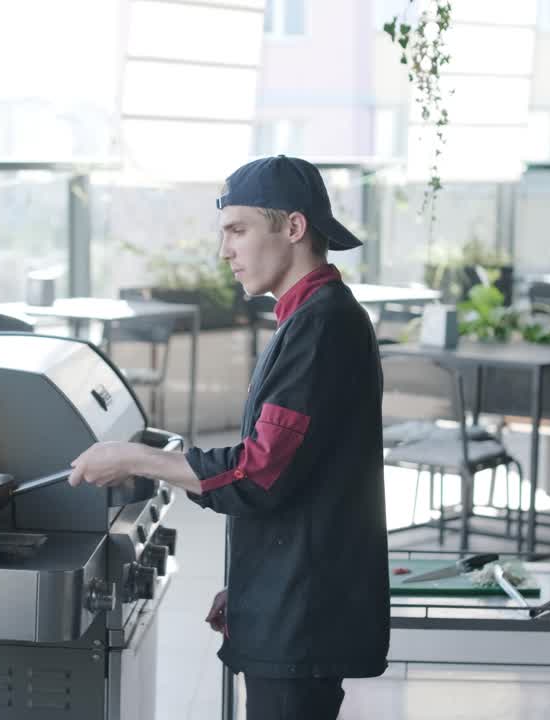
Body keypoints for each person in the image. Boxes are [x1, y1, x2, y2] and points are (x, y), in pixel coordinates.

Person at [67, 155, 389, 719]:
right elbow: (299, 472)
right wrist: (252, 587)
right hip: (289, 602)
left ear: (293, 228)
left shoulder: (322, 323)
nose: (225, 251)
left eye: (237, 230)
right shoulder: (308, 316)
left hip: (303, 621)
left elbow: (259, 470)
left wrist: (134, 458)